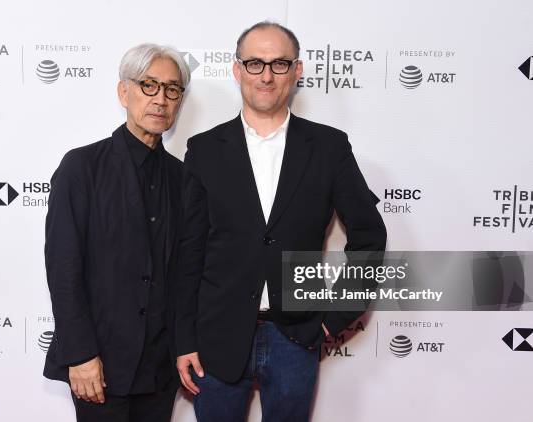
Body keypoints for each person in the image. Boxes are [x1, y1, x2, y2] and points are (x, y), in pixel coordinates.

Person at [175, 22, 386, 421]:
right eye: (255, 63)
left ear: (297, 71)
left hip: (296, 337)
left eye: (279, 63)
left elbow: (369, 236)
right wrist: (185, 339)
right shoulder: (203, 150)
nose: (266, 75)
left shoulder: (329, 147)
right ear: (237, 71)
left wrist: (333, 319)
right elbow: (189, 253)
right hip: (216, 337)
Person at [43, 43, 190, 422]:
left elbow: (187, 273)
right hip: (100, 368)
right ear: (124, 91)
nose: (161, 99)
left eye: (172, 89)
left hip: (159, 369)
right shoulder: (82, 168)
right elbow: (63, 268)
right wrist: (80, 355)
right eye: (149, 85)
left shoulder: (183, 179)